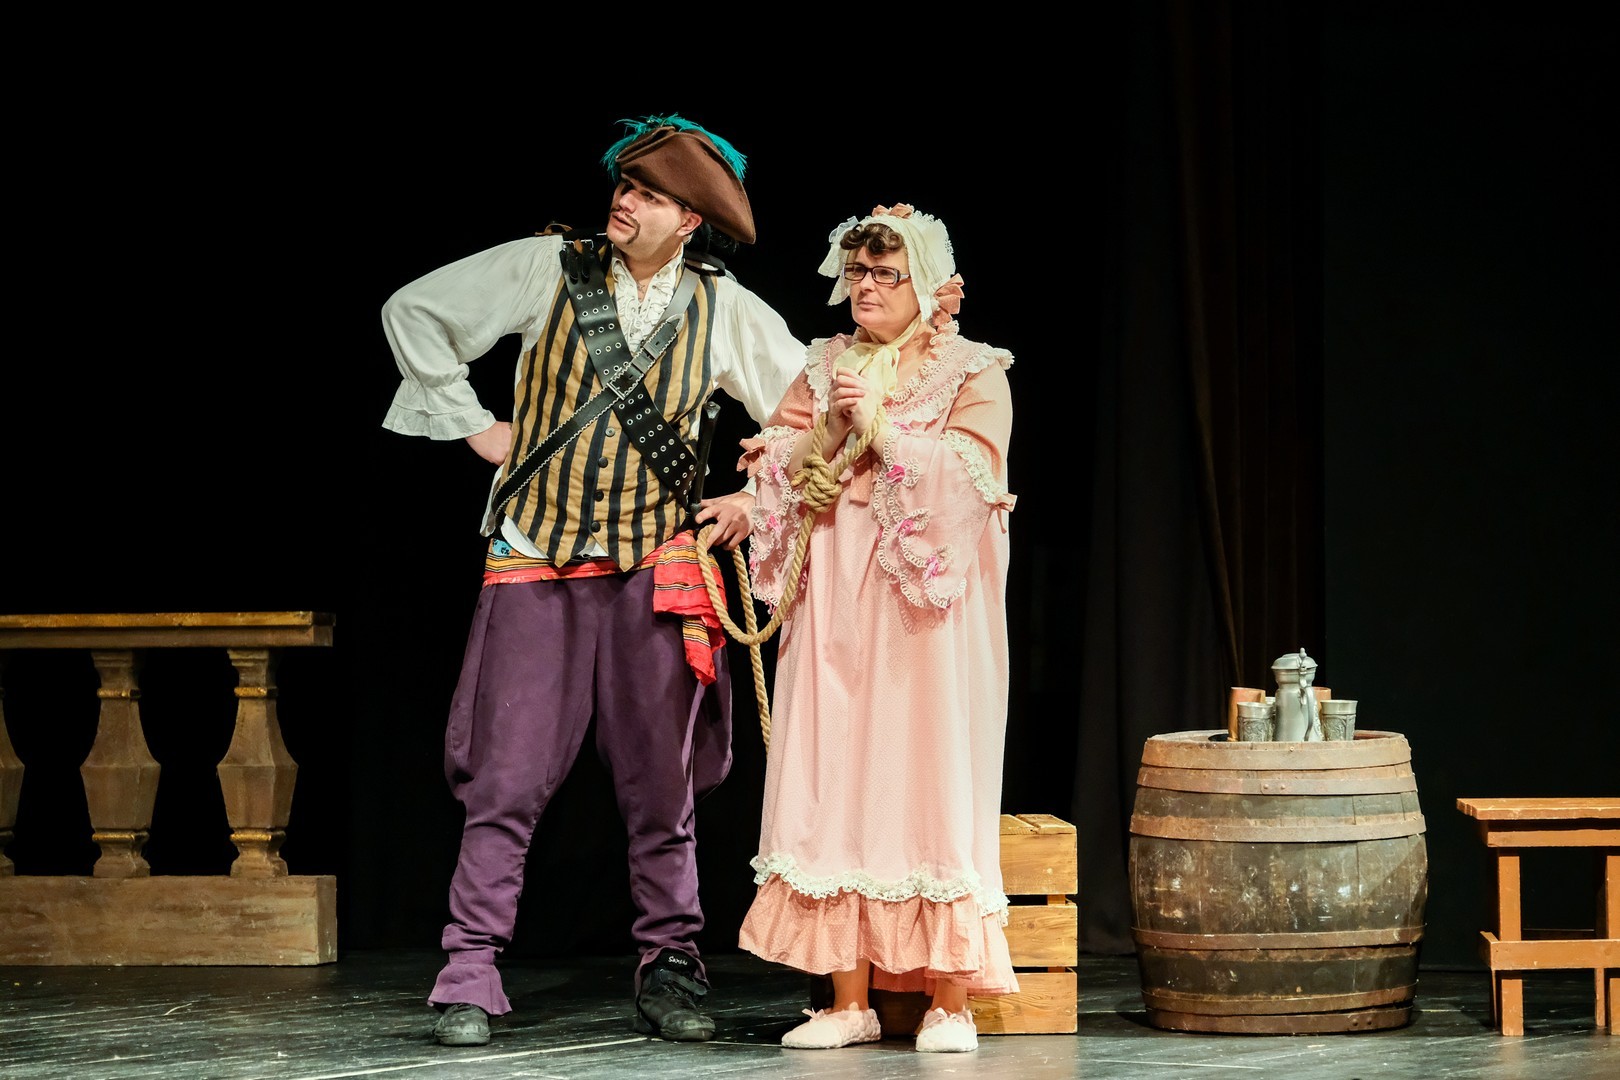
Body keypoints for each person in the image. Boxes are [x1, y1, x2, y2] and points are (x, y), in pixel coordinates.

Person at [379, 114, 805, 1048]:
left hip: (657, 566)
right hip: (537, 555)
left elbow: (805, 414)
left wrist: (752, 498)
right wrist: (474, 425)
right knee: (506, 778)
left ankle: (671, 964)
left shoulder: (726, 309)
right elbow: (415, 310)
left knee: (661, 787)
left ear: (689, 220)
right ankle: (469, 969)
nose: (626, 201)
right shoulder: (549, 268)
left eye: (651, 195)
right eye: (626, 185)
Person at [734, 203, 1019, 1053]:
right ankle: (846, 1000)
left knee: (931, 775)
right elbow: (772, 461)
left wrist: (882, 430)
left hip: (923, 608)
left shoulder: (974, 371)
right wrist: (828, 429)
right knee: (836, 777)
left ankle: (950, 1001)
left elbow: (974, 478)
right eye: (856, 271)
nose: (865, 287)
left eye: (885, 273)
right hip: (834, 599)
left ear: (925, 284)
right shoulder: (823, 366)